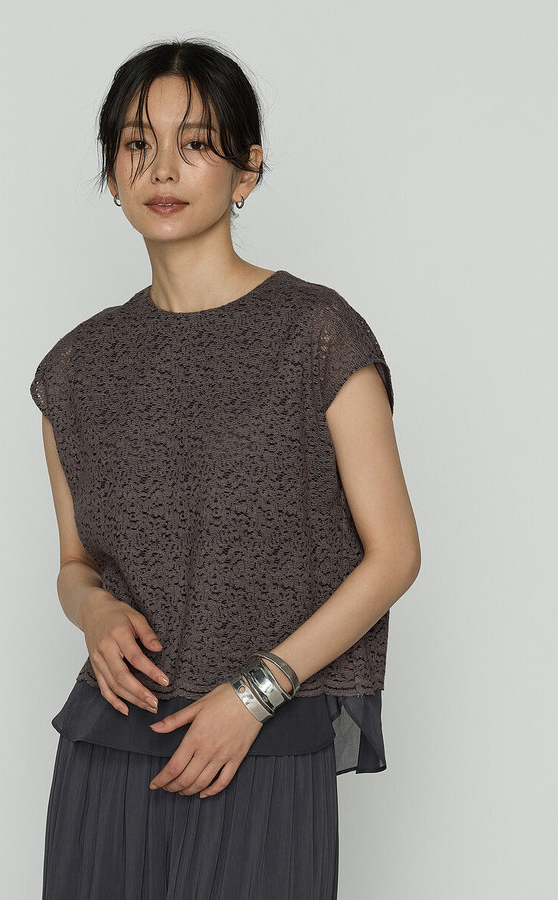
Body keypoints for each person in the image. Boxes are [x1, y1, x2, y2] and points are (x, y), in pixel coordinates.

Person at [30, 37, 421, 900]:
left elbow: (394, 555)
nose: (163, 168)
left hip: (261, 742)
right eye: (137, 144)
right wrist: (93, 611)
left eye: (196, 142)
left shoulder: (317, 334)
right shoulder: (75, 368)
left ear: (247, 170)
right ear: (111, 172)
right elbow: (75, 564)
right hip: (109, 745)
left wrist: (256, 694)